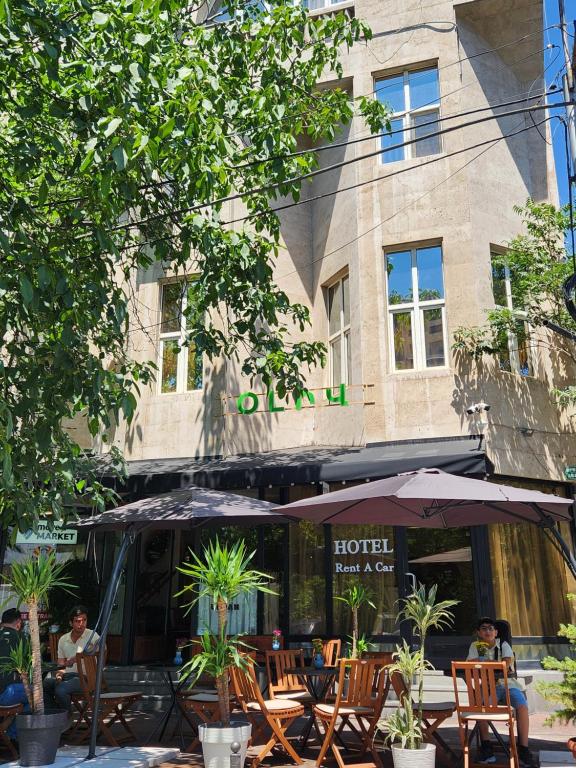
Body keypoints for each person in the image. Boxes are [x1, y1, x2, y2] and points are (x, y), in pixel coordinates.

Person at [467, 617, 533, 767]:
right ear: (479, 632)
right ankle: (487, 747)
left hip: (508, 685)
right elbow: (470, 664)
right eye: (484, 628)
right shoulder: (476, 646)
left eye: (491, 628)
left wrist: (483, 663)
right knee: (481, 708)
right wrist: (487, 663)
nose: (488, 631)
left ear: (496, 632)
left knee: (522, 707)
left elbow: (505, 664)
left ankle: (523, 748)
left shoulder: (503, 645)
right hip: (488, 687)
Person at [44, 605, 100, 711]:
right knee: (45, 685)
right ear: (71, 623)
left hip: (86, 678)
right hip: (67, 677)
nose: (81, 624)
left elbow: (103, 647)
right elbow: (60, 665)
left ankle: (66, 718)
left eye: (84, 620)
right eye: (77, 621)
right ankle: (57, 713)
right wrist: (59, 676)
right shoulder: (63, 639)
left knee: (61, 690)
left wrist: (82, 655)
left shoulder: (92, 635)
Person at [0, 609, 31, 740]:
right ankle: (11, 734)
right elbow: (30, 664)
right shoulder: (21, 637)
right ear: (18, 622)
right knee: (37, 696)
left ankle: (5, 728)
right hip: (6, 694)